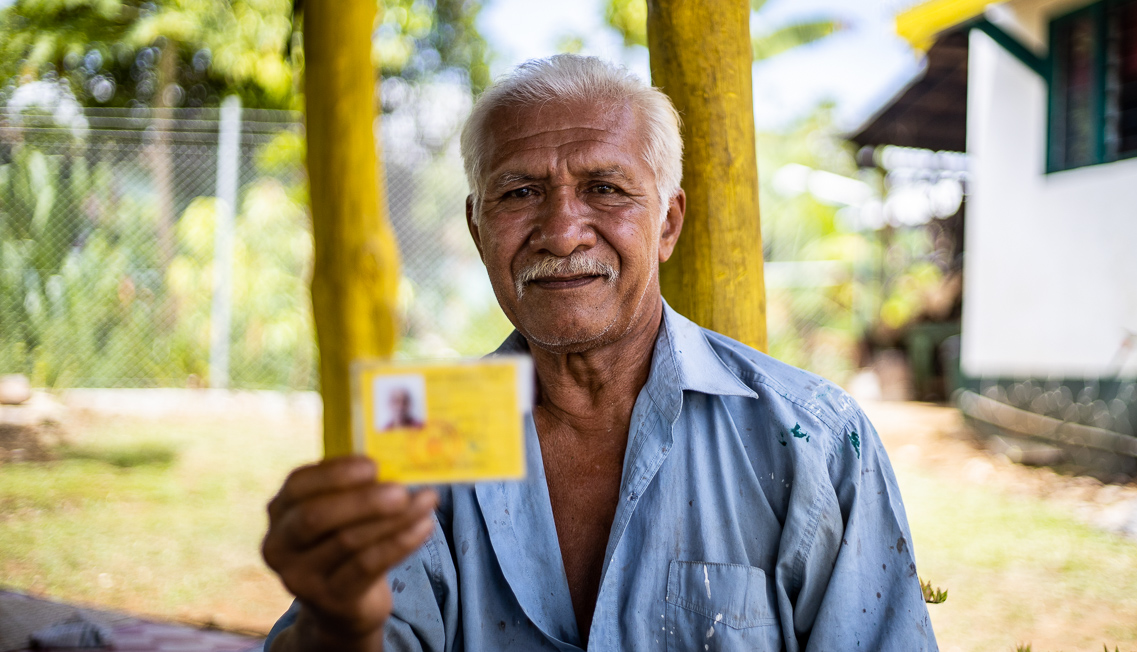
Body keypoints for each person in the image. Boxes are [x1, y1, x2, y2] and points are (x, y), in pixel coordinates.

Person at [261, 55, 937, 651]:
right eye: (520, 193)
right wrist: (339, 625)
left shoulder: (811, 438)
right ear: (477, 226)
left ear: (667, 223)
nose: (560, 232)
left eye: (605, 189)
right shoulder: (429, 427)